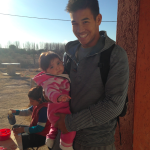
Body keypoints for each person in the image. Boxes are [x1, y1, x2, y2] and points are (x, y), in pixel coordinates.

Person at [52, 0, 129, 150]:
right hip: (64, 138)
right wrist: (47, 93)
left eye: (85, 21)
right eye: (74, 23)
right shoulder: (69, 53)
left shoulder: (115, 55)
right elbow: (60, 84)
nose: (79, 29)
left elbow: (114, 104)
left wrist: (69, 123)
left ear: (98, 19)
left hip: (95, 143)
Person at [33, 51, 76, 150]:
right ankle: (66, 145)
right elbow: (50, 91)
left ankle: (50, 137)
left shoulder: (60, 75)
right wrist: (58, 97)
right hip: (58, 111)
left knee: (54, 126)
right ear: (46, 71)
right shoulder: (51, 80)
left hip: (56, 110)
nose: (57, 67)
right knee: (70, 128)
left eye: (58, 63)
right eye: (52, 67)